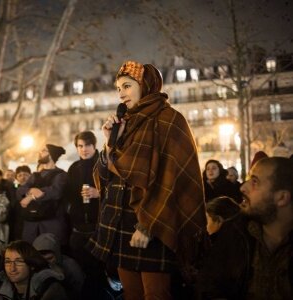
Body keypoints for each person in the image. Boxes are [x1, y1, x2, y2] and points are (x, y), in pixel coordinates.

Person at [87, 61, 206, 300]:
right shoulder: (125, 124)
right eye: (118, 87)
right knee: (131, 294)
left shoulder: (169, 120)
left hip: (153, 225)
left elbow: (172, 180)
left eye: (127, 86)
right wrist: (109, 142)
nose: (121, 93)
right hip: (120, 226)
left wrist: (148, 226)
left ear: (146, 86)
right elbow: (107, 176)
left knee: (156, 295)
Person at [197, 157, 292, 299]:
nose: (243, 187)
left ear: (282, 198)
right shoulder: (234, 232)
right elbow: (209, 288)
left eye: (255, 182)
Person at [65, 131, 107, 299]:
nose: (84, 149)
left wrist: (99, 193)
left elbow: (116, 190)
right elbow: (68, 195)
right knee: (80, 270)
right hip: (79, 227)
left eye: (87, 145)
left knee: (99, 271)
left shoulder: (103, 163)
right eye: (80, 146)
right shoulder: (74, 167)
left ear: (94, 145)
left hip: (100, 226)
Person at [16, 144, 69, 245]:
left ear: (51, 155)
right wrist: (31, 191)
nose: (40, 153)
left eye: (44, 151)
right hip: (32, 224)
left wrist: (30, 197)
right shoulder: (35, 175)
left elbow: (54, 192)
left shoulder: (61, 175)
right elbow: (20, 190)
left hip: (51, 223)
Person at [0, 240, 68, 300]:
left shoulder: (50, 289)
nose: (12, 268)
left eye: (19, 261)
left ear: (32, 264)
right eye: (8, 262)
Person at [33, 233, 85, 300]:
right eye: (41, 259)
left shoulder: (70, 265)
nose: (46, 263)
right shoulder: (33, 266)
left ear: (57, 254)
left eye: (49, 258)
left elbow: (80, 291)